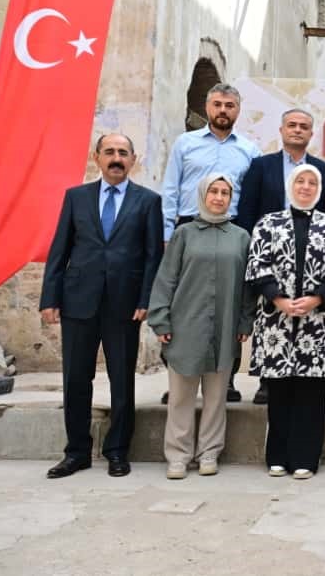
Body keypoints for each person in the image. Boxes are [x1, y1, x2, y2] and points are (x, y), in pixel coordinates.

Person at [40, 134, 164, 479]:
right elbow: (59, 249)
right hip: (79, 299)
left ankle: (117, 451)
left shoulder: (148, 201)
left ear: (133, 159)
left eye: (123, 153)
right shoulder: (76, 198)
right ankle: (76, 452)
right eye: (109, 152)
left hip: (124, 305)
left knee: (122, 380)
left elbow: (154, 256)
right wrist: (49, 297)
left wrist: (145, 299)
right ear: (97, 157)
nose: (116, 158)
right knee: (76, 379)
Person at [245, 164, 325, 479]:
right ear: (290, 185)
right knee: (279, 392)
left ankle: (306, 457)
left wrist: (317, 297)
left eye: (312, 182)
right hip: (277, 321)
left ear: (319, 190)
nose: (306, 187)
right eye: (300, 181)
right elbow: (256, 265)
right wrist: (278, 298)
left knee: (311, 394)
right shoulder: (268, 223)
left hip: (317, 323)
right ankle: (277, 456)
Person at [147, 174, 255, 480]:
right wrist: (161, 319)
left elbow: (248, 287)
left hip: (225, 325)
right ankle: (178, 455)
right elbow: (166, 278)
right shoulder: (184, 234)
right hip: (185, 325)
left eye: (225, 192)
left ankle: (209, 452)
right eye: (214, 192)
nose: (219, 197)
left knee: (216, 395)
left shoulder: (241, 237)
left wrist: (246, 320)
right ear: (203, 195)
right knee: (181, 395)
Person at [160, 82, 260, 403]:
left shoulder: (249, 150)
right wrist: (167, 235)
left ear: (237, 110)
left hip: (233, 231)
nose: (223, 111)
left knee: (229, 305)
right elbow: (171, 189)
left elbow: (254, 196)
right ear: (207, 107)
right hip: (189, 227)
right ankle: (178, 376)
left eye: (229, 106)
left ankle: (226, 379)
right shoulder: (185, 144)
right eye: (217, 104)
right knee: (184, 306)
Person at [236, 107, 325, 405]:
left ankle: (302, 376)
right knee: (272, 317)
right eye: (291, 125)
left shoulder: (324, 171)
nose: (297, 130)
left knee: (306, 318)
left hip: (310, 260)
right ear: (281, 130)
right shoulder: (260, 166)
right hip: (269, 258)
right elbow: (247, 212)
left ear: (311, 133)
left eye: (304, 126)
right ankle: (270, 380)